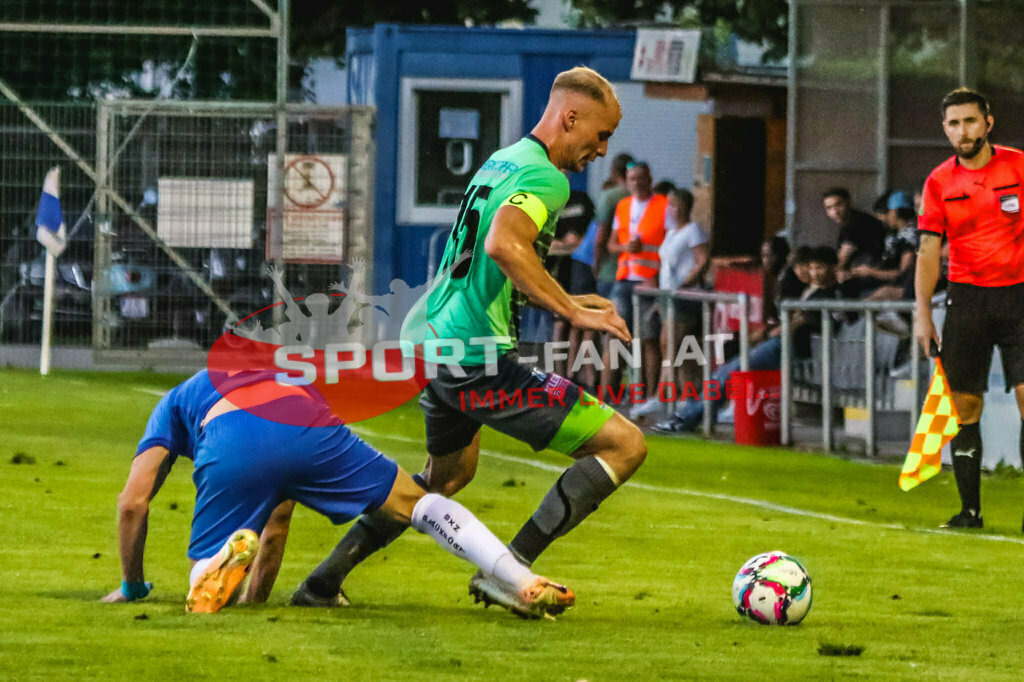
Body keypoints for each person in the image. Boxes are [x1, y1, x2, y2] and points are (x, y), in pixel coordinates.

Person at [289, 66, 646, 614]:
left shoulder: (503, 160)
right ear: (571, 117)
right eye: (602, 134)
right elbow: (506, 244)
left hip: (434, 339)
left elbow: (491, 252)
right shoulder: (549, 178)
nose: (603, 149)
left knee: (449, 475)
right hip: (472, 355)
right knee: (625, 444)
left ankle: (320, 583)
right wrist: (571, 308)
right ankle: (512, 571)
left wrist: (561, 295)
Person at [100, 370, 575, 618]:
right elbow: (278, 522)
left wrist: (132, 585)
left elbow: (132, 503)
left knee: (204, 581)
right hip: (306, 420)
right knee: (419, 503)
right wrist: (257, 603)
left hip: (228, 438)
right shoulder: (276, 375)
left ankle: (208, 572)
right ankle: (518, 577)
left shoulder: (173, 403)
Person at [914, 87, 1024, 531]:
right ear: (945, 130)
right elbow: (927, 252)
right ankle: (969, 512)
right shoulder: (939, 182)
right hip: (967, 301)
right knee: (964, 407)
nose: (963, 130)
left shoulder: (1018, 166)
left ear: (988, 123)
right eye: (954, 124)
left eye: (971, 121)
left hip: (1019, 296)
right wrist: (923, 314)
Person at [655, 246, 842, 433]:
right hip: (779, 344)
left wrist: (784, 327)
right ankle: (692, 414)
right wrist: (770, 330)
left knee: (735, 369)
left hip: (797, 350)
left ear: (833, 268)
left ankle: (687, 417)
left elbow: (810, 320)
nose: (814, 273)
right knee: (727, 368)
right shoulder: (805, 290)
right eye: (812, 268)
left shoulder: (834, 293)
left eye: (820, 268)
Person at [602, 161, 669, 414]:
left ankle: (650, 395)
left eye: (641, 178)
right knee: (615, 335)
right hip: (625, 278)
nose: (636, 183)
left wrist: (660, 276)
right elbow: (612, 243)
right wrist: (623, 248)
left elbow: (671, 243)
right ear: (626, 181)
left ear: (649, 179)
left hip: (650, 281)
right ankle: (607, 395)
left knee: (649, 337)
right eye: (632, 179)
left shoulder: (663, 206)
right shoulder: (623, 206)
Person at [657, 188, 709, 406]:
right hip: (667, 294)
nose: (671, 210)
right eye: (669, 205)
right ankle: (671, 392)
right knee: (668, 344)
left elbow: (703, 260)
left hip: (684, 297)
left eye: (675, 205)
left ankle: (675, 394)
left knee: (673, 343)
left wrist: (688, 281)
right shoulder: (670, 233)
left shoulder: (693, 231)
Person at [824, 186, 887, 294]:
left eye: (838, 205)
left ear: (848, 202)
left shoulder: (857, 223)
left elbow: (842, 260)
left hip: (873, 279)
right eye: (829, 208)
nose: (835, 211)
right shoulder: (848, 224)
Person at [593, 153, 633, 298]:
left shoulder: (609, 197)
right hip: (635, 270)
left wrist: (596, 264)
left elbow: (601, 235)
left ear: (614, 171)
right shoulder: (640, 197)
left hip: (610, 268)